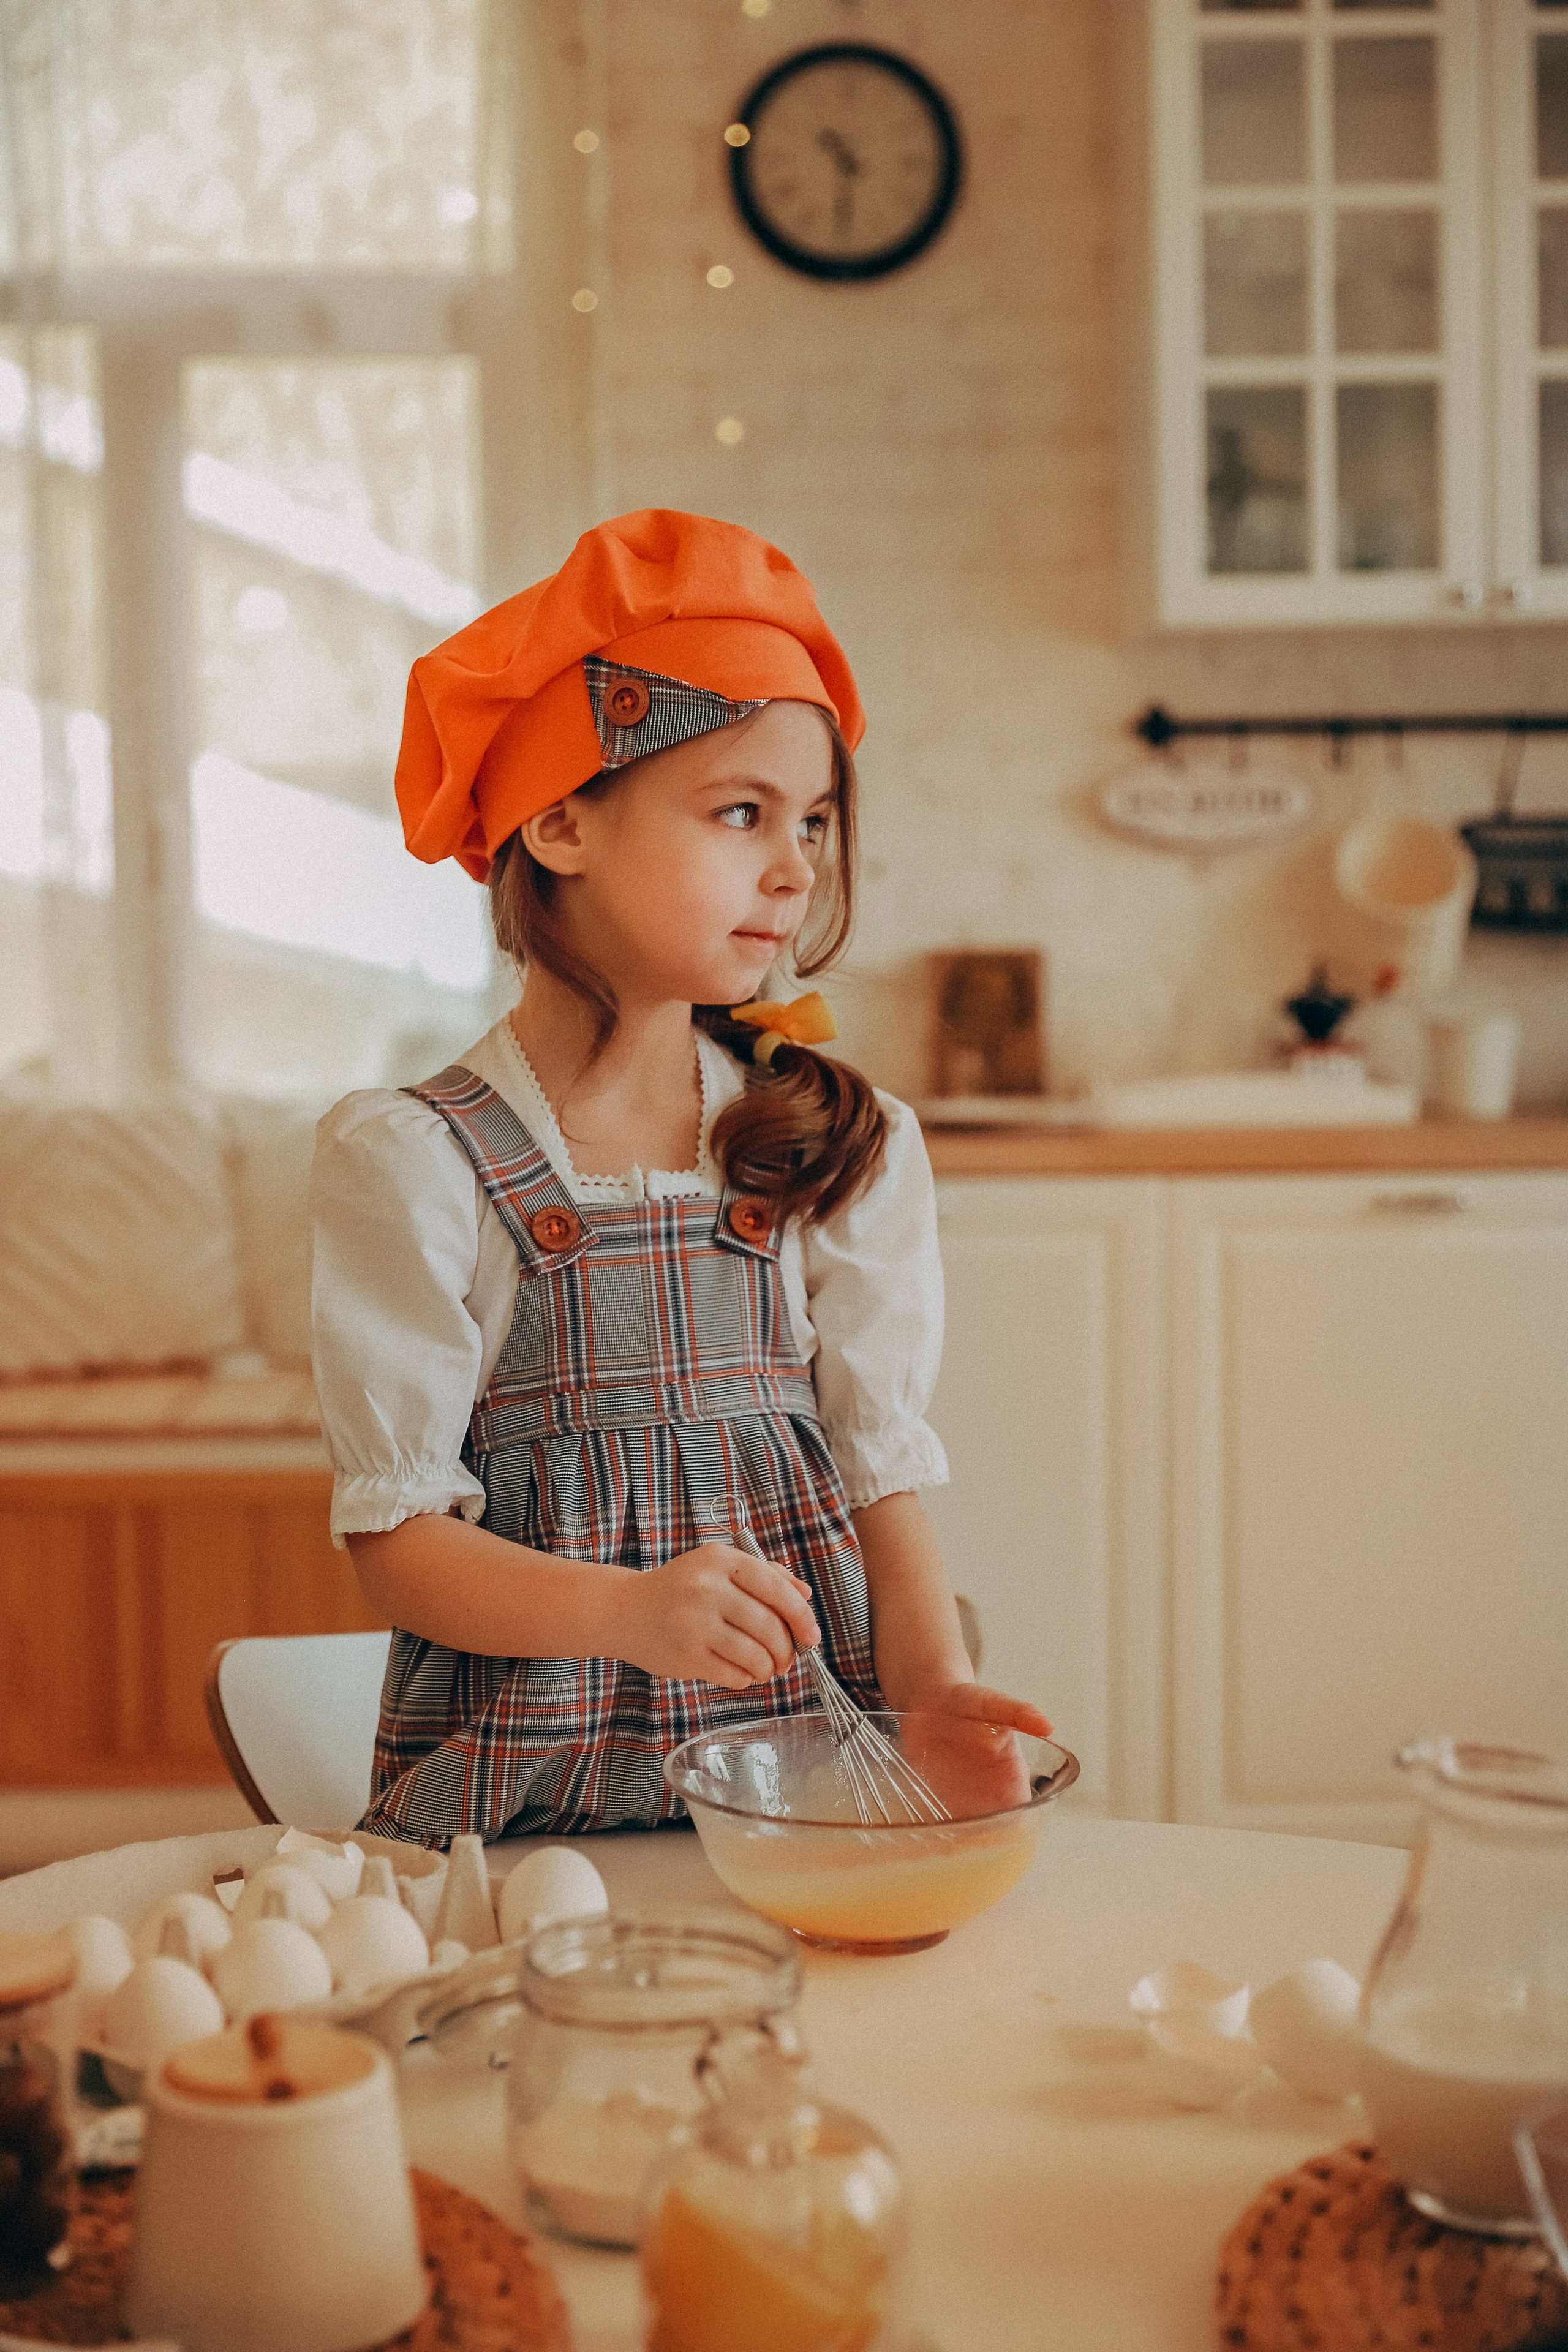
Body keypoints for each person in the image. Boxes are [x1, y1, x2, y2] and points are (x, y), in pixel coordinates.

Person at [311, 508, 1051, 1846]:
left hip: (800, 1807)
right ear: (560, 827)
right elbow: (397, 1546)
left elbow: (877, 1473)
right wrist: (629, 1615)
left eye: (813, 820)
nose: (794, 867)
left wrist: (933, 1689)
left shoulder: (834, 1139)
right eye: (738, 812)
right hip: (526, 1821)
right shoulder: (417, 1161)